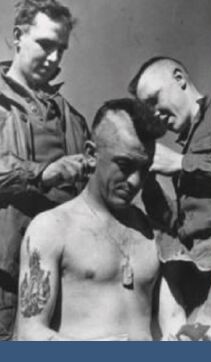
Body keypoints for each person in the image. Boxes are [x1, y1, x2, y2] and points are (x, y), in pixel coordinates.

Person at [15, 98, 164, 340]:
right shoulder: (51, 228)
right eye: (124, 165)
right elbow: (29, 335)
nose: (135, 181)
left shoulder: (153, 232)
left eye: (144, 169)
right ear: (91, 154)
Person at [0, 0, 89, 340]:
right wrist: (43, 173)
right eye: (46, 45)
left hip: (62, 279)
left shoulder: (72, 119)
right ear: (18, 36)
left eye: (61, 50)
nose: (54, 59)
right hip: (5, 279)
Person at [128, 57, 211, 340]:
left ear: (179, 78)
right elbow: (179, 226)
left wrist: (181, 163)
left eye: (154, 100)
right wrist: (148, 183)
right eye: (147, 109)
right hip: (193, 270)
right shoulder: (189, 142)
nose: (154, 115)